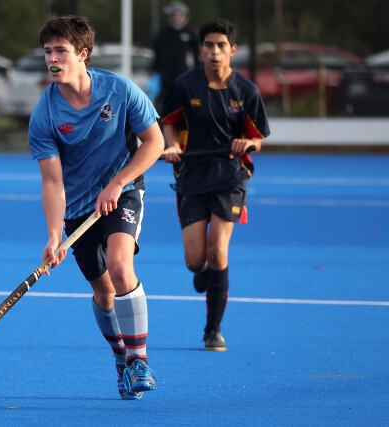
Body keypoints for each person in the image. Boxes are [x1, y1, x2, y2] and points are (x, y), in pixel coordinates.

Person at [28, 15, 164, 400]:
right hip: (78, 210)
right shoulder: (45, 115)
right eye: (47, 52)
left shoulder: (119, 90)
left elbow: (154, 142)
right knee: (104, 294)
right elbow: (52, 183)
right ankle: (121, 359)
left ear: (82, 54)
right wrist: (54, 235)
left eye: (61, 51)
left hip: (123, 191)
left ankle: (139, 361)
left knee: (121, 266)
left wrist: (118, 182)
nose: (52, 59)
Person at [160, 19, 270, 351]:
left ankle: (213, 330)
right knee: (195, 261)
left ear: (232, 50)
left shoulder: (246, 91)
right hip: (191, 176)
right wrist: (172, 145)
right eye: (208, 45)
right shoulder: (184, 85)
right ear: (200, 50)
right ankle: (205, 269)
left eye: (221, 45)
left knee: (218, 250)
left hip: (230, 178)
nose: (214, 51)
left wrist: (248, 143)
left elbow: (257, 137)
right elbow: (169, 121)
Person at [152, 1, 200, 110]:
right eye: (174, 15)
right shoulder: (163, 34)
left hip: (184, 75)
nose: (176, 17)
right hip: (166, 78)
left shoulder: (190, 33)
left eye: (179, 15)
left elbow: (197, 54)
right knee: (165, 105)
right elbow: (157, 55)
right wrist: (155, 71)